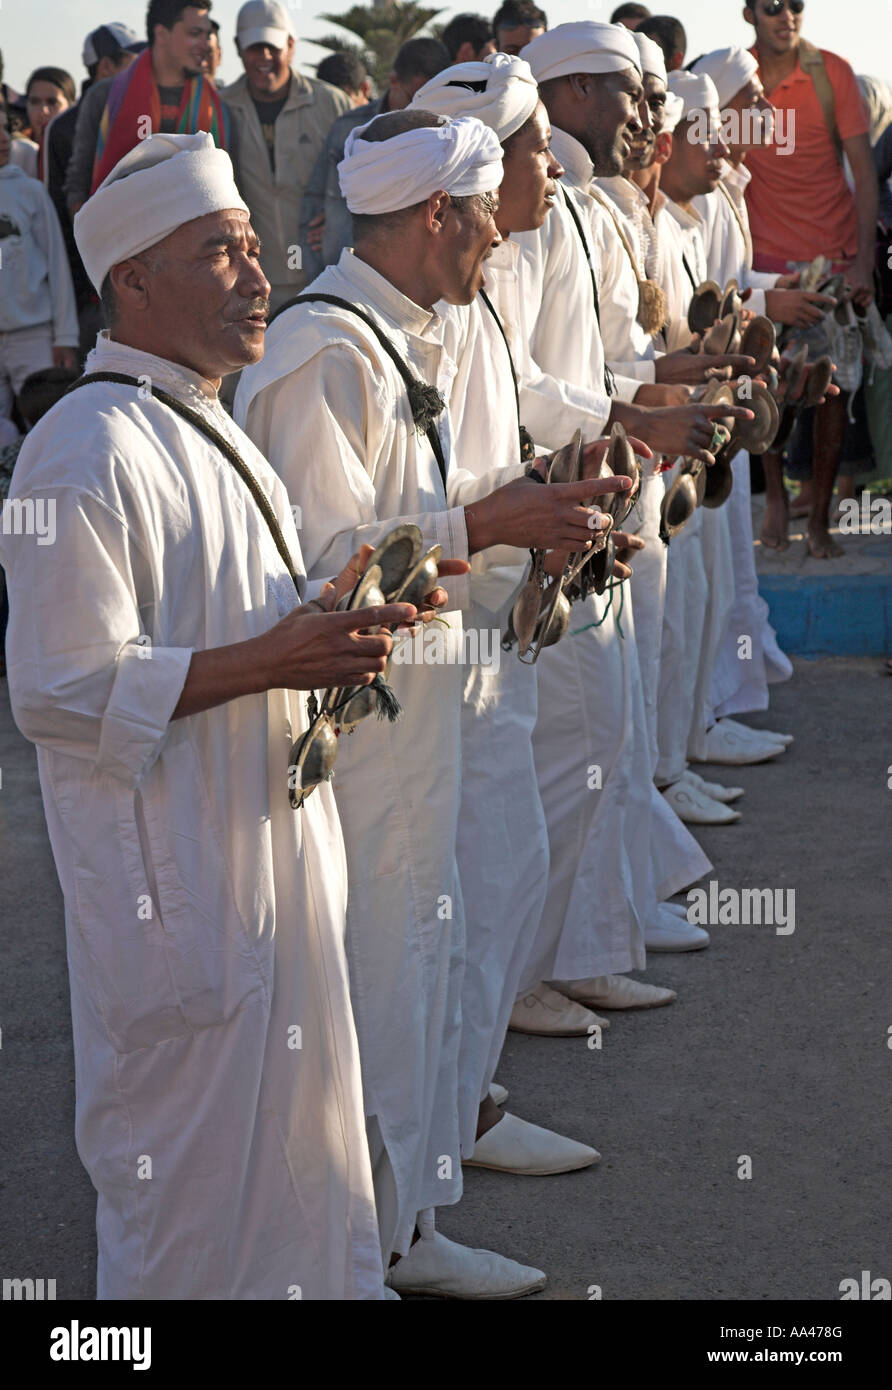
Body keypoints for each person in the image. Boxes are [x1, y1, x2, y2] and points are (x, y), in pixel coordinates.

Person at [0, 129, 430, 1301]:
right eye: (219, 253)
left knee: (306, 1158)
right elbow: (56, 683)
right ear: (131, 282)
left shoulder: (207, 419)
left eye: (253, 246)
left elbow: (241, 618)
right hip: (176, 892)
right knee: (184, 1200)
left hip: (271, 859)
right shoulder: (81, 449)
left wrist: (339, 614)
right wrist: (269, 655)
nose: (258, 277)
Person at [236, 108, 624, 1296]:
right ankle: (370, 1236)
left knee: (434, 953)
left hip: (439, 702)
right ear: (438, 215)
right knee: (380, 970)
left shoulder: (411, 330)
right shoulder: (327, 353)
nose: (495, 251)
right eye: (478, 226)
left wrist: (531, 522)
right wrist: (487, 525)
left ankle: (411, 1211)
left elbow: (436, 505)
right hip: (367, 737)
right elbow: (320, 563)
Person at [410, 52, 618, 1183]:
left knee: (499, 877)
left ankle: (464, 1110)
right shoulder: (362, 332)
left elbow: (520, 411)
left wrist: (585, 462)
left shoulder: (475, 288)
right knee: (463, 894)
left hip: (496, 631)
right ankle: (435, 1150)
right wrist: (506, 514)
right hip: (441, 652)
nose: (548, 170)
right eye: (532, 150)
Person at [742, 0, 876, 559]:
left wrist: (864, 263)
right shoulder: (735, 77)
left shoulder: (834, 74)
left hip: (833, 265)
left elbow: (864, 173)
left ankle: (818, 518)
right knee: (763, 383)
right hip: (764, 264)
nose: (786, 15)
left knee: (831, 397)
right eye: (772, 6)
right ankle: (775, 497)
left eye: (796, 4)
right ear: (748, 12)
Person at [222, 1, 351, 311]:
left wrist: (339, 220)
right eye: (255, 47)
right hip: (250, 284)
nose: (264, 57)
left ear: (291, 45)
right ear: (239, 48)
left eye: (272, 46)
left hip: (326, 278)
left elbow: (365, 181)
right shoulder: (220, 108)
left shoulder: (333, 106)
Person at [298, 38, 451, 280]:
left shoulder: (448, 136)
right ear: (393, 82)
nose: (424, 109)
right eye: (416, 98)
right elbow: (314, 202)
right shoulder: (347, 127)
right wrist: (317, 263)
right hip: (342, 277)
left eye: (433, 100)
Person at [65, 0, 230, 214]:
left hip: (197, 237)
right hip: (119, 235)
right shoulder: (105, 96)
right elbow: (78, 182)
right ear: (161, 34)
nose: (206, 44)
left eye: (207, 35)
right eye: (195, 33)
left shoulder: (219, 106)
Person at [44, 25, 143, 359]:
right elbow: (56, 216)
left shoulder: (135, 108)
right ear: (105, 67)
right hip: (87, 293)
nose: (145, 64)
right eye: (134, 58)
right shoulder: (64, 127)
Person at [0, 106, 78, 440]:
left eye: (4, 129)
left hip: (32, 333)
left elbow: (58, 266)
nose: (3, 139)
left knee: (49, 431)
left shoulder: (30, 191)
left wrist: (65, 336)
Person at [21, 67, 77, 180]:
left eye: (52, 102)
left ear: (71, 106)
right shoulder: (12, 150)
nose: (43, 111)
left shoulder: (81, 154)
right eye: (35, 102)